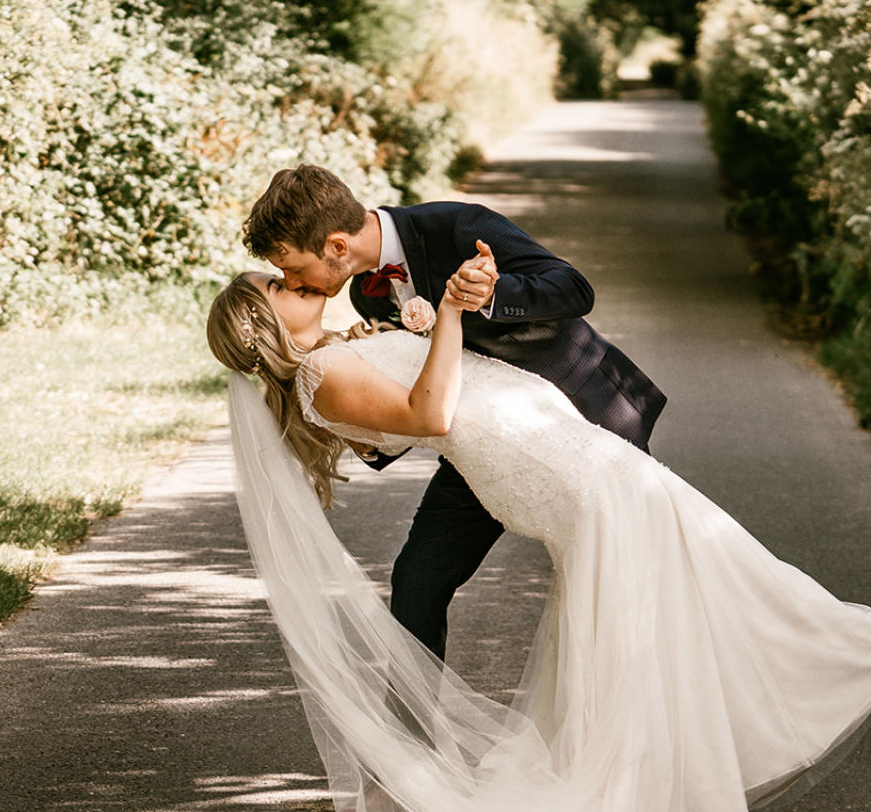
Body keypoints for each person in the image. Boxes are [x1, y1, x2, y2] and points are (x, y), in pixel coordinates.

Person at [205, 252, 871, 812]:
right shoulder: (317, 379)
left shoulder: (334, 357)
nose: (289, 277)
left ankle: (779, 712)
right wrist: (440, 313)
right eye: (274, 284)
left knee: (686, 584)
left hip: (563, 452)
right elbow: (432, 413)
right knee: (723, 558)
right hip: (556, 472)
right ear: (261, 325)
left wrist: (419, 320)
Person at [239, 164, 667, 660]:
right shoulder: (364, 293)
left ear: (336, 246)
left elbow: (574, 289)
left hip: (585, 418)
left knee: (617, 579)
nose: (289, 279)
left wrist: (489, 297)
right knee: (418, 578)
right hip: (487, 446)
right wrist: (363, 434)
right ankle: (414, 736)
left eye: (290, 266)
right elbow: (419, 392)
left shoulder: (457, 226)